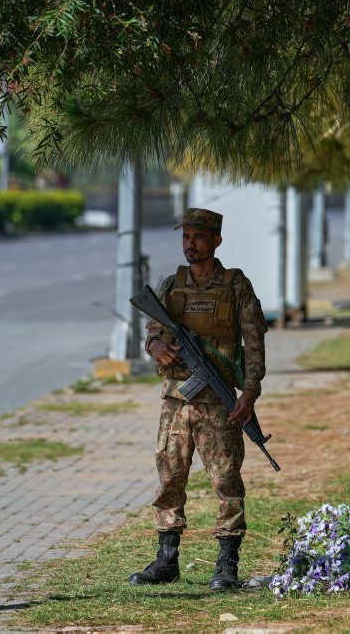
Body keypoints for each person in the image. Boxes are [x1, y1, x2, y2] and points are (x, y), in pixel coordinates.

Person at [128, 207, 267, 591]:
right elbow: (152, 331)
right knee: (169, 477)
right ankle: (166, 559)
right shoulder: (172, 284)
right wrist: (155, 346)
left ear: (216, 240)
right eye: (186, 237)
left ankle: (226, 564)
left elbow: (254, 341)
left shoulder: (236, 285)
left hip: (219, 402)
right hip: (176, 401)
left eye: (199, 237)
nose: (191, 244)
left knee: (226, 481)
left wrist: (251, 390)